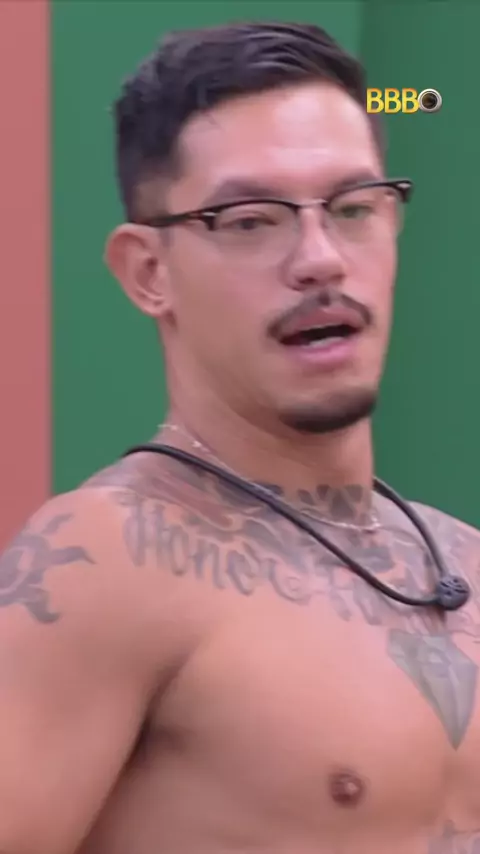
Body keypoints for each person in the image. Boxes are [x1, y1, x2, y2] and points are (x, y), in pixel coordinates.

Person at [0, 20, 479, 854]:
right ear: (148, 271)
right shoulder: (103, 566)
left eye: (354, 208)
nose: (321, 258)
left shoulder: (463, 562)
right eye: (252, 220)